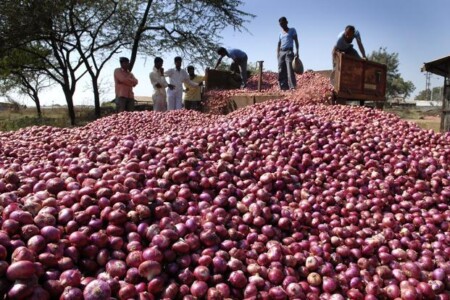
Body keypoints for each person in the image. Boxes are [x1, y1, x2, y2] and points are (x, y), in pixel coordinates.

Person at [277, 17, 299, 91]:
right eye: (280, 24)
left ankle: (293, 87)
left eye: (283, 23)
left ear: (286, 22)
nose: (282, 25)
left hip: (289, 52)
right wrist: (278, 54)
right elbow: (278, 44)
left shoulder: (292, 30)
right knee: (281, 70)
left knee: (290, 70)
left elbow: (296, 41)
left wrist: (297, 51)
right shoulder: (280, 33)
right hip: (281, 52)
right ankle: (283, 87)